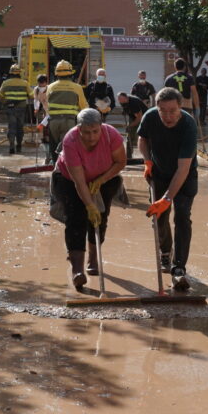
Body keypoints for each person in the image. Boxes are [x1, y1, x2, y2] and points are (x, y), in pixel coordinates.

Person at [51, 108, 126, 289]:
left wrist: (101, 180)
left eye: (95, 132)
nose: (91, 137)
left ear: (101, 127)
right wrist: (90, 205)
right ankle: (78, 270)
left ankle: (93, 260)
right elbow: (78, 181)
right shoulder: (70, 140)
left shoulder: (111, 135)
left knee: (100, 219)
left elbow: (121, 162)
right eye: (86, 132)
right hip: (70, 180)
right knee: (76, 218)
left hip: (106, 176)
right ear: (79, 129)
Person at [138, 87, 198, 291]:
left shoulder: (188, 125)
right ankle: (165, 252)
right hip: (159, 173)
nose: (168, 115)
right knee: (159, 217)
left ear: (180, 107)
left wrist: (167, 199)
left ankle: (179, 267)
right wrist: (147, 161)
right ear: (157, 107)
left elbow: (183, 169)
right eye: (163, 110)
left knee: (181, 216)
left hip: (185, 176)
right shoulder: (150, 117)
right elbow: (143, 139)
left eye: (172, 110)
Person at [47, 60, 88, 164]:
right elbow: (84, 107)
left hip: (53, 122)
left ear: (56, 73)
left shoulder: (50, 87)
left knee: (54, 148)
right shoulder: (77, 87)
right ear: (71, 73)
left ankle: (55, 170)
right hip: (69, 122)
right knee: (67, 148)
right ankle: (66, 172)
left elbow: (46, 105)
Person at [0, 64, 33, 154]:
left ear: (10, 73)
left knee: (12, 127)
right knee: (20, 127)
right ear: (19, 73)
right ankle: (19, 146)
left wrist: (4, 102)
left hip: (10, 108)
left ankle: (11, 145)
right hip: (21, 108)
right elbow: (31, 95)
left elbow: (0, 96)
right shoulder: (25, 83)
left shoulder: (5, 83)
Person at [117, 92, 147, 156]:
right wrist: (125, 111)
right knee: (129, 133)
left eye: (120, 100)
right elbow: (125, 107)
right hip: (133, 116)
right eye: (119, 100)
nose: (119, 101)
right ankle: (129, 154)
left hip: (143, 118)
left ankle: (147, 153)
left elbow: (139, 118)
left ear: (126, 98)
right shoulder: (123, 101)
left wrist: (130, 125)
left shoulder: (134, 103)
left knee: (140, 133)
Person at [33, 74, 50, 162]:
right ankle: (47, 156)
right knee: (45, 137)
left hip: (52, 114)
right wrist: (36, 108)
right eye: (39, 84)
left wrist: (42, 124)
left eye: (42, 84)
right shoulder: (36, 90)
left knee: (51, 136)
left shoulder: (50, 90)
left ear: (46, 83)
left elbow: (51, 113)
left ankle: (52, 157)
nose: (41, 86)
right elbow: (36, 100)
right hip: (45, 112)